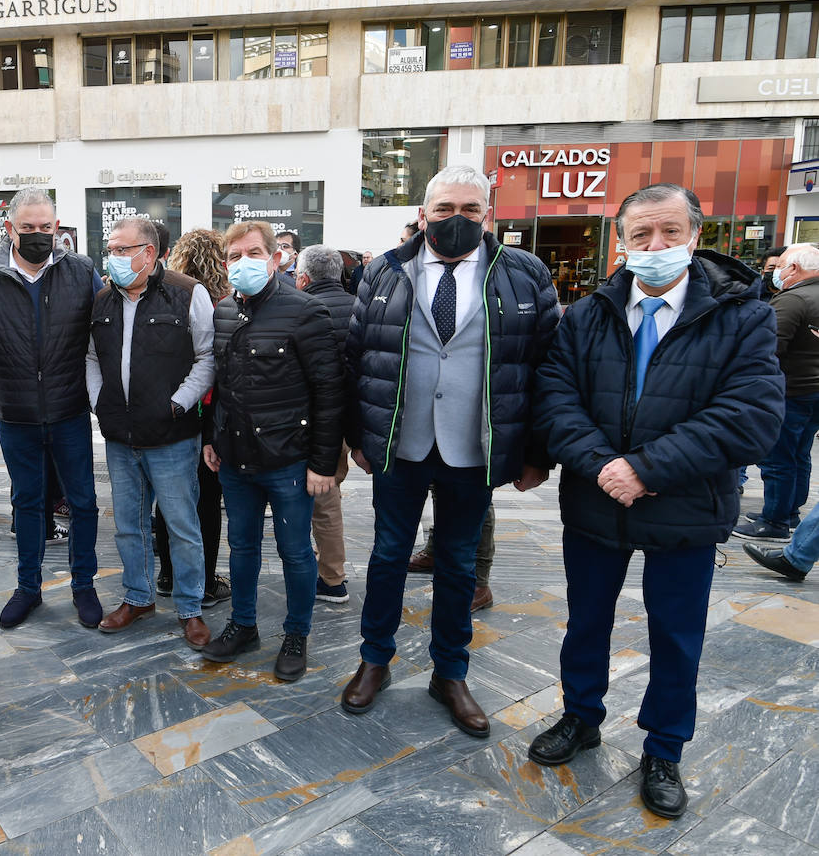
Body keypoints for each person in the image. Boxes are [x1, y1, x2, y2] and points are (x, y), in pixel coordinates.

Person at [530, 182, 784, 820]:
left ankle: (664, 746)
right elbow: (554, 400)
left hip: (686, 503)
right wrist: (603, 466)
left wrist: (646, 469)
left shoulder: (743, 315)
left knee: (677, 634)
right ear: (621, 242)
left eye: (670, 232)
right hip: (596, 502)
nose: (656, 245)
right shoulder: (587, 314)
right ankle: (580, 716)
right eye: (641, 234)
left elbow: (751, 415)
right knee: (586, 620)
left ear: (697, 235)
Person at [341, 164, 559, 737]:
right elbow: (356, 357)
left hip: (475, 446)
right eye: (444, 210)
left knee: (459, 563)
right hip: (400, 443)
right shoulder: (384, 273)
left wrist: (537, 452)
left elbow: (545, 367)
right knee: (389, 554)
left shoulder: (523, 273)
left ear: (488, 215)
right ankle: (375, 659)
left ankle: (451, 673)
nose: (455, 220)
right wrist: (356, 436)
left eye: (469, 210)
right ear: (423, 214)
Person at [200, 220, 343, 682]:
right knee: (240, 547)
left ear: (276, 258)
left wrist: (323, 462)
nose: (244, 263)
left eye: (254, 253)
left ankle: (296, 634)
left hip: (288, 459)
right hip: (235, 458)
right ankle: (243, 625)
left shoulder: (305, 310)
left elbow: (328, 390)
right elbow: (218, 386)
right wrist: (212, 438)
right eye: (235, 256)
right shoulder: (223, 311)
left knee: (296, 552)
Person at [0, 187, 105, 630]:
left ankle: (84, 585)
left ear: (56, 228)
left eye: (46, 227)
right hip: (15, 410)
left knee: (82, 501)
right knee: (26, 502)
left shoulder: (81, 270)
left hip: (69, 408)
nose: (39, 235)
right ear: (9, 228)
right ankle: (28, 587)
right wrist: (11, 364)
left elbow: (98, 329)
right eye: (29, 228)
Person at [87, 217, 216, 649]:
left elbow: (207, 357)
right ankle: (138, 597)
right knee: (128, 525)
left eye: (123, 249)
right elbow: (91, 357)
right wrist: (99, 399)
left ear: (149, 252)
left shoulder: (187, 293)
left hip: (173, 436)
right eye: (111, 249)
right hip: (120, 435)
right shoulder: (104, 299)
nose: (114, 257)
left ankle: (190, 608)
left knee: (181, 524)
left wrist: (177, 403)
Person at [154, 228, 232, 607]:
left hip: (173, 407)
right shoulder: (223, 303)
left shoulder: (167, 296)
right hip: (207, 412)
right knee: (205, 501)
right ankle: (202, 580)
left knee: (167, 497)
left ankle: (168, 574)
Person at [733, 243, 819, 543]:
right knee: (799, 454)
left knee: (778, 456)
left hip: (790, 390)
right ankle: (790, 511)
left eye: (780, 264)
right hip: (812, 390)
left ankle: (776, 520)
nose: (777, 270)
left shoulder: (792, 299)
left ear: (794, 268)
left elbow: (767, 348)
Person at [294, 245, 356, 604]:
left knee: (324, 499)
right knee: (329, 493)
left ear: (303, 278)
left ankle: (332, 578)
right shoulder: (358, 306)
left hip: (317, 423)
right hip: (351, 418)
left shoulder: (305, 311)